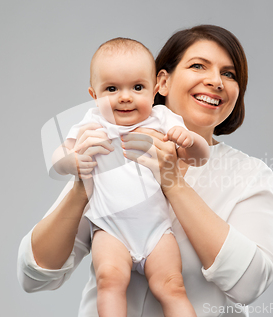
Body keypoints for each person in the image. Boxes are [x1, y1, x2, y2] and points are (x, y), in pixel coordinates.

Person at [18, 24, 273, 317]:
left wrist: (173, 182)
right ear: (162, 83)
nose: (216, 81)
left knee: (171, 286)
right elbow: (34, 275)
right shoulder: (111, 145)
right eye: (198, 66)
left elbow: (250, 284)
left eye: (229, 74)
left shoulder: (249, 174)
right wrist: (81, 187)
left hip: (162, 249)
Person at [51, 37, 209, 317]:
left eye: (137, 87)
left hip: (157, 231)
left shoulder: (162, 119)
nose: (125, 97)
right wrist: (71, 162)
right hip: (110, 230)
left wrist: (189, 140)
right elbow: (58, 157)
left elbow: (200, 157)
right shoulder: (92, 122)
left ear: (155, 88)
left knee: (172, 287)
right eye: (111, 88)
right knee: (109, 282)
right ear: (94, 95)